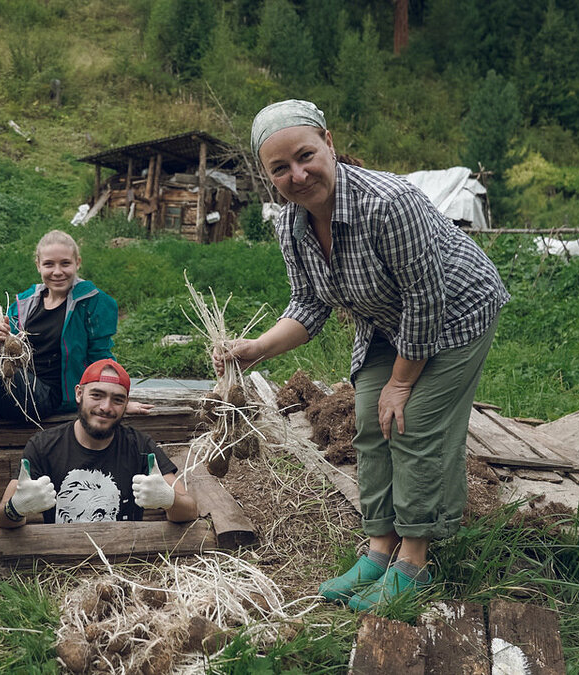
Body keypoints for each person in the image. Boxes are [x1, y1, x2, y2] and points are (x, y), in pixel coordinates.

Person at [218, 100, 510, 611]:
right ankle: (379, 549)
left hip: (455, 310)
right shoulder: (291, 225)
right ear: (268, 176)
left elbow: (426, 299)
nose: (298, 174)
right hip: (385, 320)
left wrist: (401, 383)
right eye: (280, 168)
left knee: (412, 421)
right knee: (368, 423)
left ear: (329, 143)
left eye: (306, 155)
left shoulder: (389, 202)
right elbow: (308, 304)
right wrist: (258, 348)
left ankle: (414, 561)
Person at [0, 229, 149, 450]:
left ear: (78, 263)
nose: (57, 272)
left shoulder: (92, 302)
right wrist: (1, 342)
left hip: (49, 398)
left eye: (65, 264)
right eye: (49, 264)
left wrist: (117, 400)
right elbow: (8, 359)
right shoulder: (25, 303)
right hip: (19, 390)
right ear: (38, 265)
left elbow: (101, 357)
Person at [0, 359, 198, 528]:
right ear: (79, 394)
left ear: (126, 404)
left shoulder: (140, 446)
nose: (106, 407)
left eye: (117, 400)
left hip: (126, 562)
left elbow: (190, 510)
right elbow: (1, 517)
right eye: (97, 395)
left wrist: (169, 499)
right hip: (59, 561)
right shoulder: (43, 447)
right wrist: (16, 508)